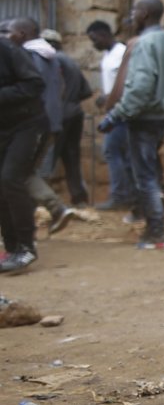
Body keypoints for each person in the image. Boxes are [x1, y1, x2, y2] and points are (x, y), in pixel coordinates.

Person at [98, 0, 164, 250]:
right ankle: (154, 226)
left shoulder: (143, 44)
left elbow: (140, 87)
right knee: (149, 169)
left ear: (146, 13)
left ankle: (156, 232)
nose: (131, 15)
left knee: (145, 175)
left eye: (135, 10)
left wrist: (115, 116)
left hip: (145, 116)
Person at [4, 18, 80, 236]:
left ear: (21, 33)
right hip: (48, 121)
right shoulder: (51, 57)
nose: (7, 37)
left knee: (15, 174)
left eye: (9, 32)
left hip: (30, 123)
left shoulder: (28, 57)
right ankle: (49, 213)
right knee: (23, 173)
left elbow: (30, 89)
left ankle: (44, 215)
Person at [0, 36, 46, 273]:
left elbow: (34, 84)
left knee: (10, 179)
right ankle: (12, 248)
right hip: (3, 127)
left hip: (26, 124)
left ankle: (27, 247)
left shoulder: (7, 49)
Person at [40, 29, 92, 207]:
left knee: (46, 158)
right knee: (72, 157)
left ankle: (45, 202)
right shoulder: (70, 61)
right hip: (75, 113)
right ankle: (79, 199)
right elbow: (87, 91)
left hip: (57, 115)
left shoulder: (50, 61)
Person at [86, 20, 134, 212]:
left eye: (94, 39)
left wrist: (110, 98)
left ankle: (120, 195)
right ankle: (128, 195)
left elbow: (128, 82)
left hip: (121, 111)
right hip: (112, 109)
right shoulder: (108, 56)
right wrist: (104, 98)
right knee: (121, 153)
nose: (93, 44)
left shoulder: (122, 52)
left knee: (111, 150)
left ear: (105, 35)